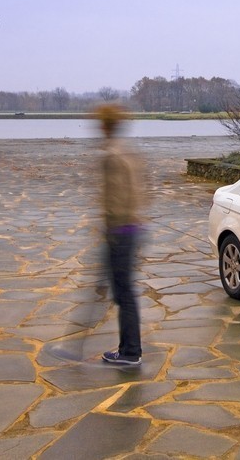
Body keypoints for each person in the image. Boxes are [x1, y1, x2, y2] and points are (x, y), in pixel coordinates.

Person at [94, 104, 147, 365]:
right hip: (132, 227)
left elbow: (115, 197)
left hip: (121, 230)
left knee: (123, 292)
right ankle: (128, 348)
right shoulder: (125, 150)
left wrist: (110, 232)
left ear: (105, 125)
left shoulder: (113, 155)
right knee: (123, 292)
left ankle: (130, 352)